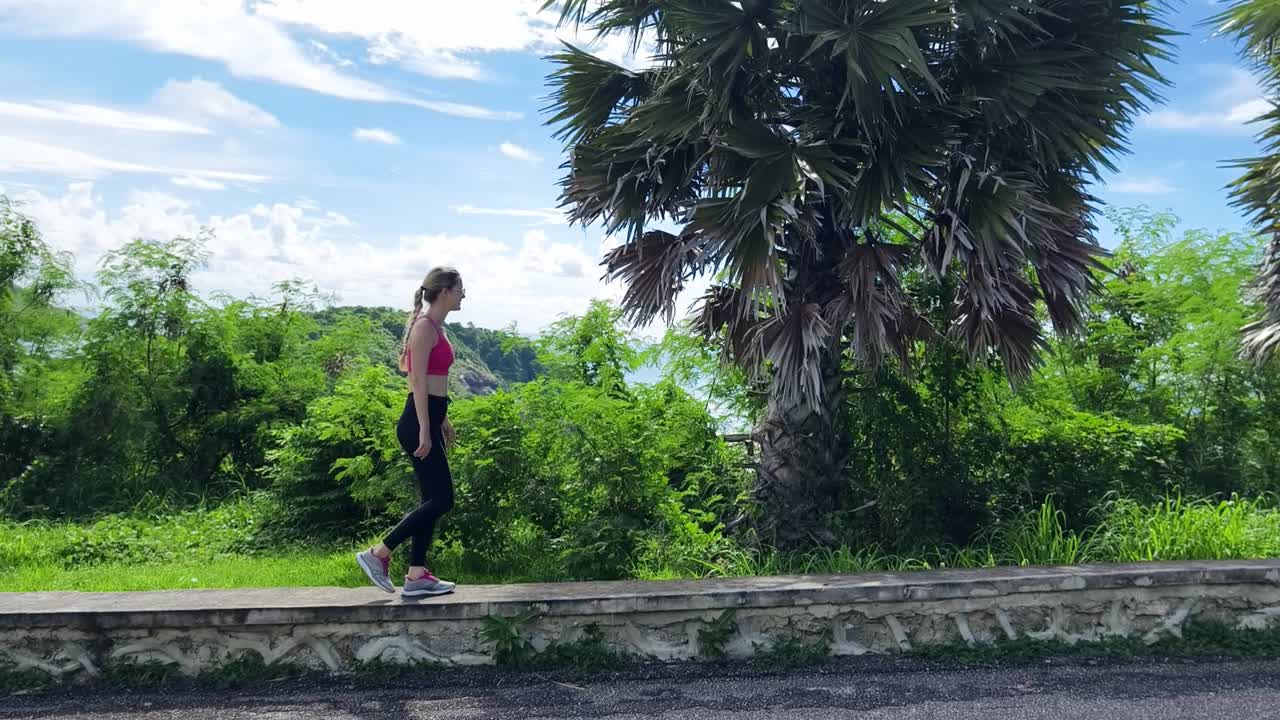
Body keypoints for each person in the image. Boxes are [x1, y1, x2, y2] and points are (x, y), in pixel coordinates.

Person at [356, 267, 464, 597]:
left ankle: (416, 575)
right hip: (417, 423)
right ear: (444, 291)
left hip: (429, 418)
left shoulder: (437, 328)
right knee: (443, 499)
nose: (464, 294)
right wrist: (425, 431)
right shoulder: (423, 329)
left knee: (432, 499)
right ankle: (379, 553)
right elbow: (415, 381)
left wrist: (441, 419)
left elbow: (433, 381)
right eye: (460, 288)